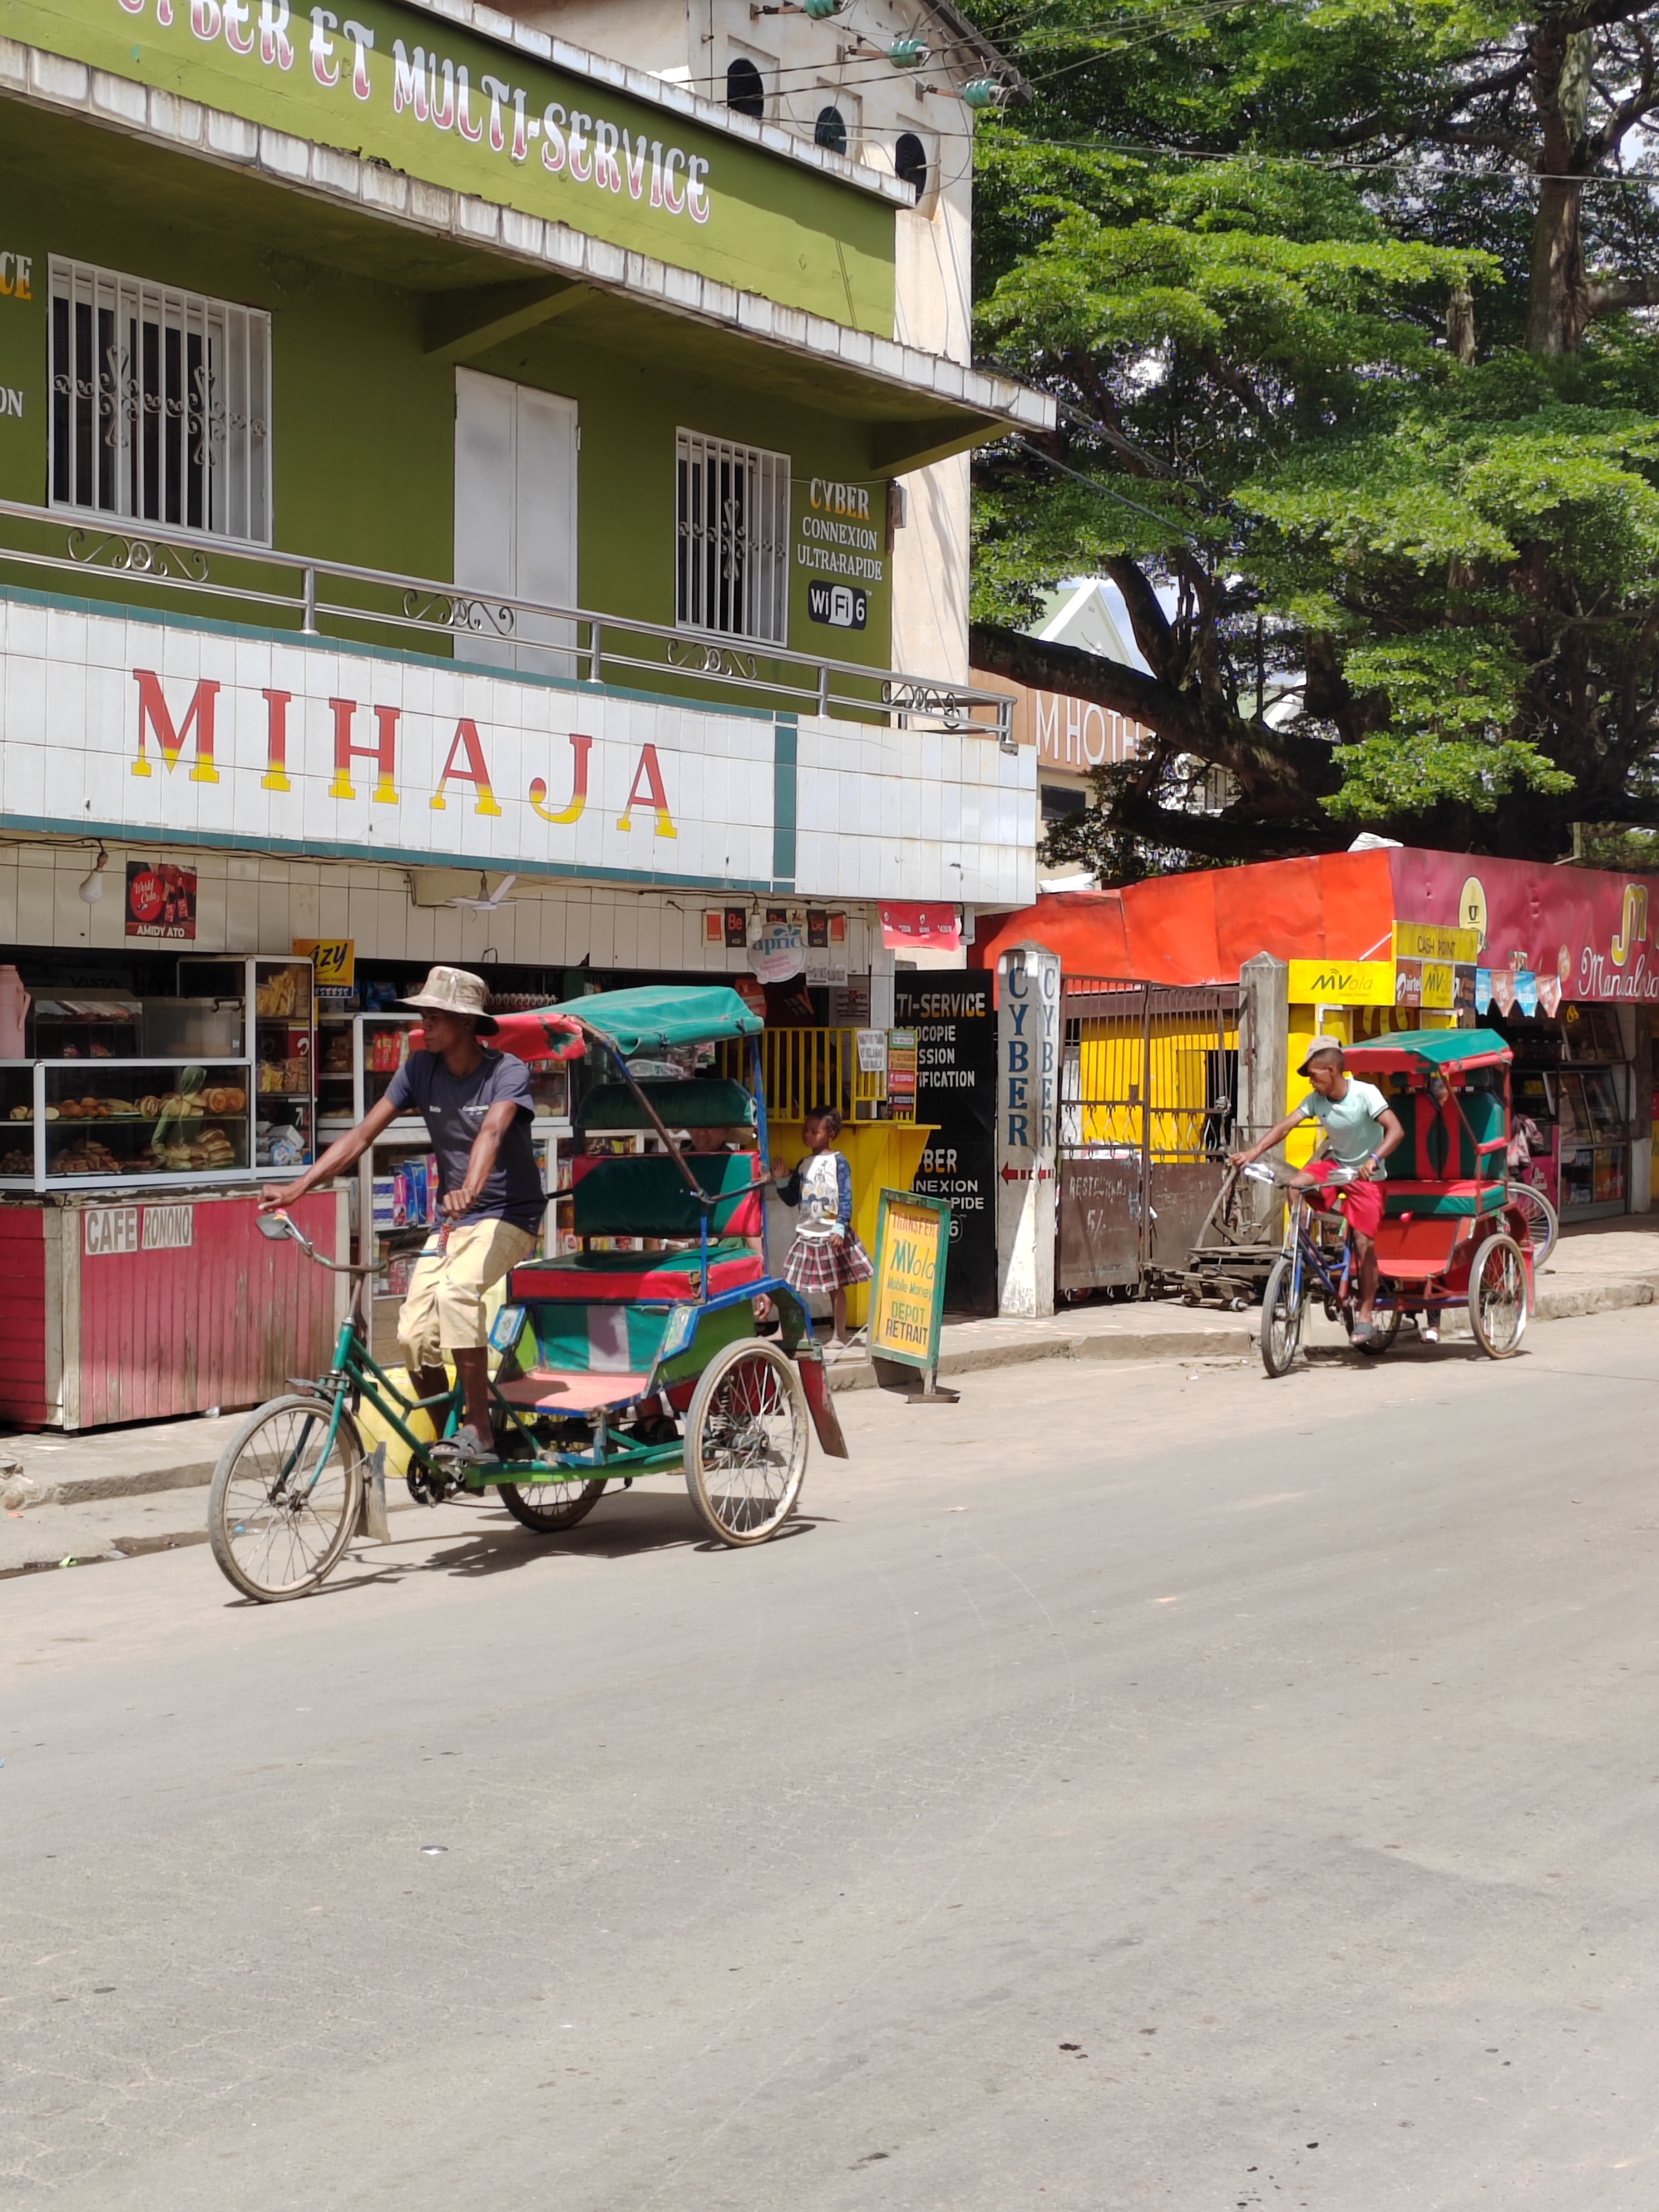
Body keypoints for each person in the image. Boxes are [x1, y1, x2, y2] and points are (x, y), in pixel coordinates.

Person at [261, 965, 543, 1463]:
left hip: (508, 1216)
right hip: (456, 1223)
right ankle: (448, 1442)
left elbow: (493, 1134)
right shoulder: (419, 1069)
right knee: (413, 1335)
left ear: (464, 1024)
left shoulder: (507, 1072)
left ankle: (480, 1430)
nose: (423, 1027)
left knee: (457, 1292)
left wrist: (470, 1191)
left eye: (433, 1018)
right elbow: (361, 1135)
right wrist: (298, 1188)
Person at [1231, 1035, 1404, 1345]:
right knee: (1296, 1185)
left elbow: (1396, 1130)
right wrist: (1253, 1153)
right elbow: (1286, 1126)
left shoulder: (1366, 1094)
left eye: (1313, 1075)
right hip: (1337, 1167)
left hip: (1368, 1179)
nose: (1311, 1082)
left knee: (1365, 1245)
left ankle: (1365, 1315)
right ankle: (1299, 1251)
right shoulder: (1316, 1101)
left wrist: (1375, 1158)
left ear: (1332, 1071)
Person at [771, 1104, 872, 1350]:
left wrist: (840, 1226)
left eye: (814, 1131)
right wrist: (783, 1179)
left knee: (836, 1287)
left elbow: (846, 1196)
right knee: (791, 1283)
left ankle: (839, 1335)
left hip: (830, 1234)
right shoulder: (804, 1164)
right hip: (806, 1234)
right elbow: (792, 1198)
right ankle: (786, 1330)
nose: (807, 1135)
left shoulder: (839, 1162)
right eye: (806, 1130)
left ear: (831, 1134)